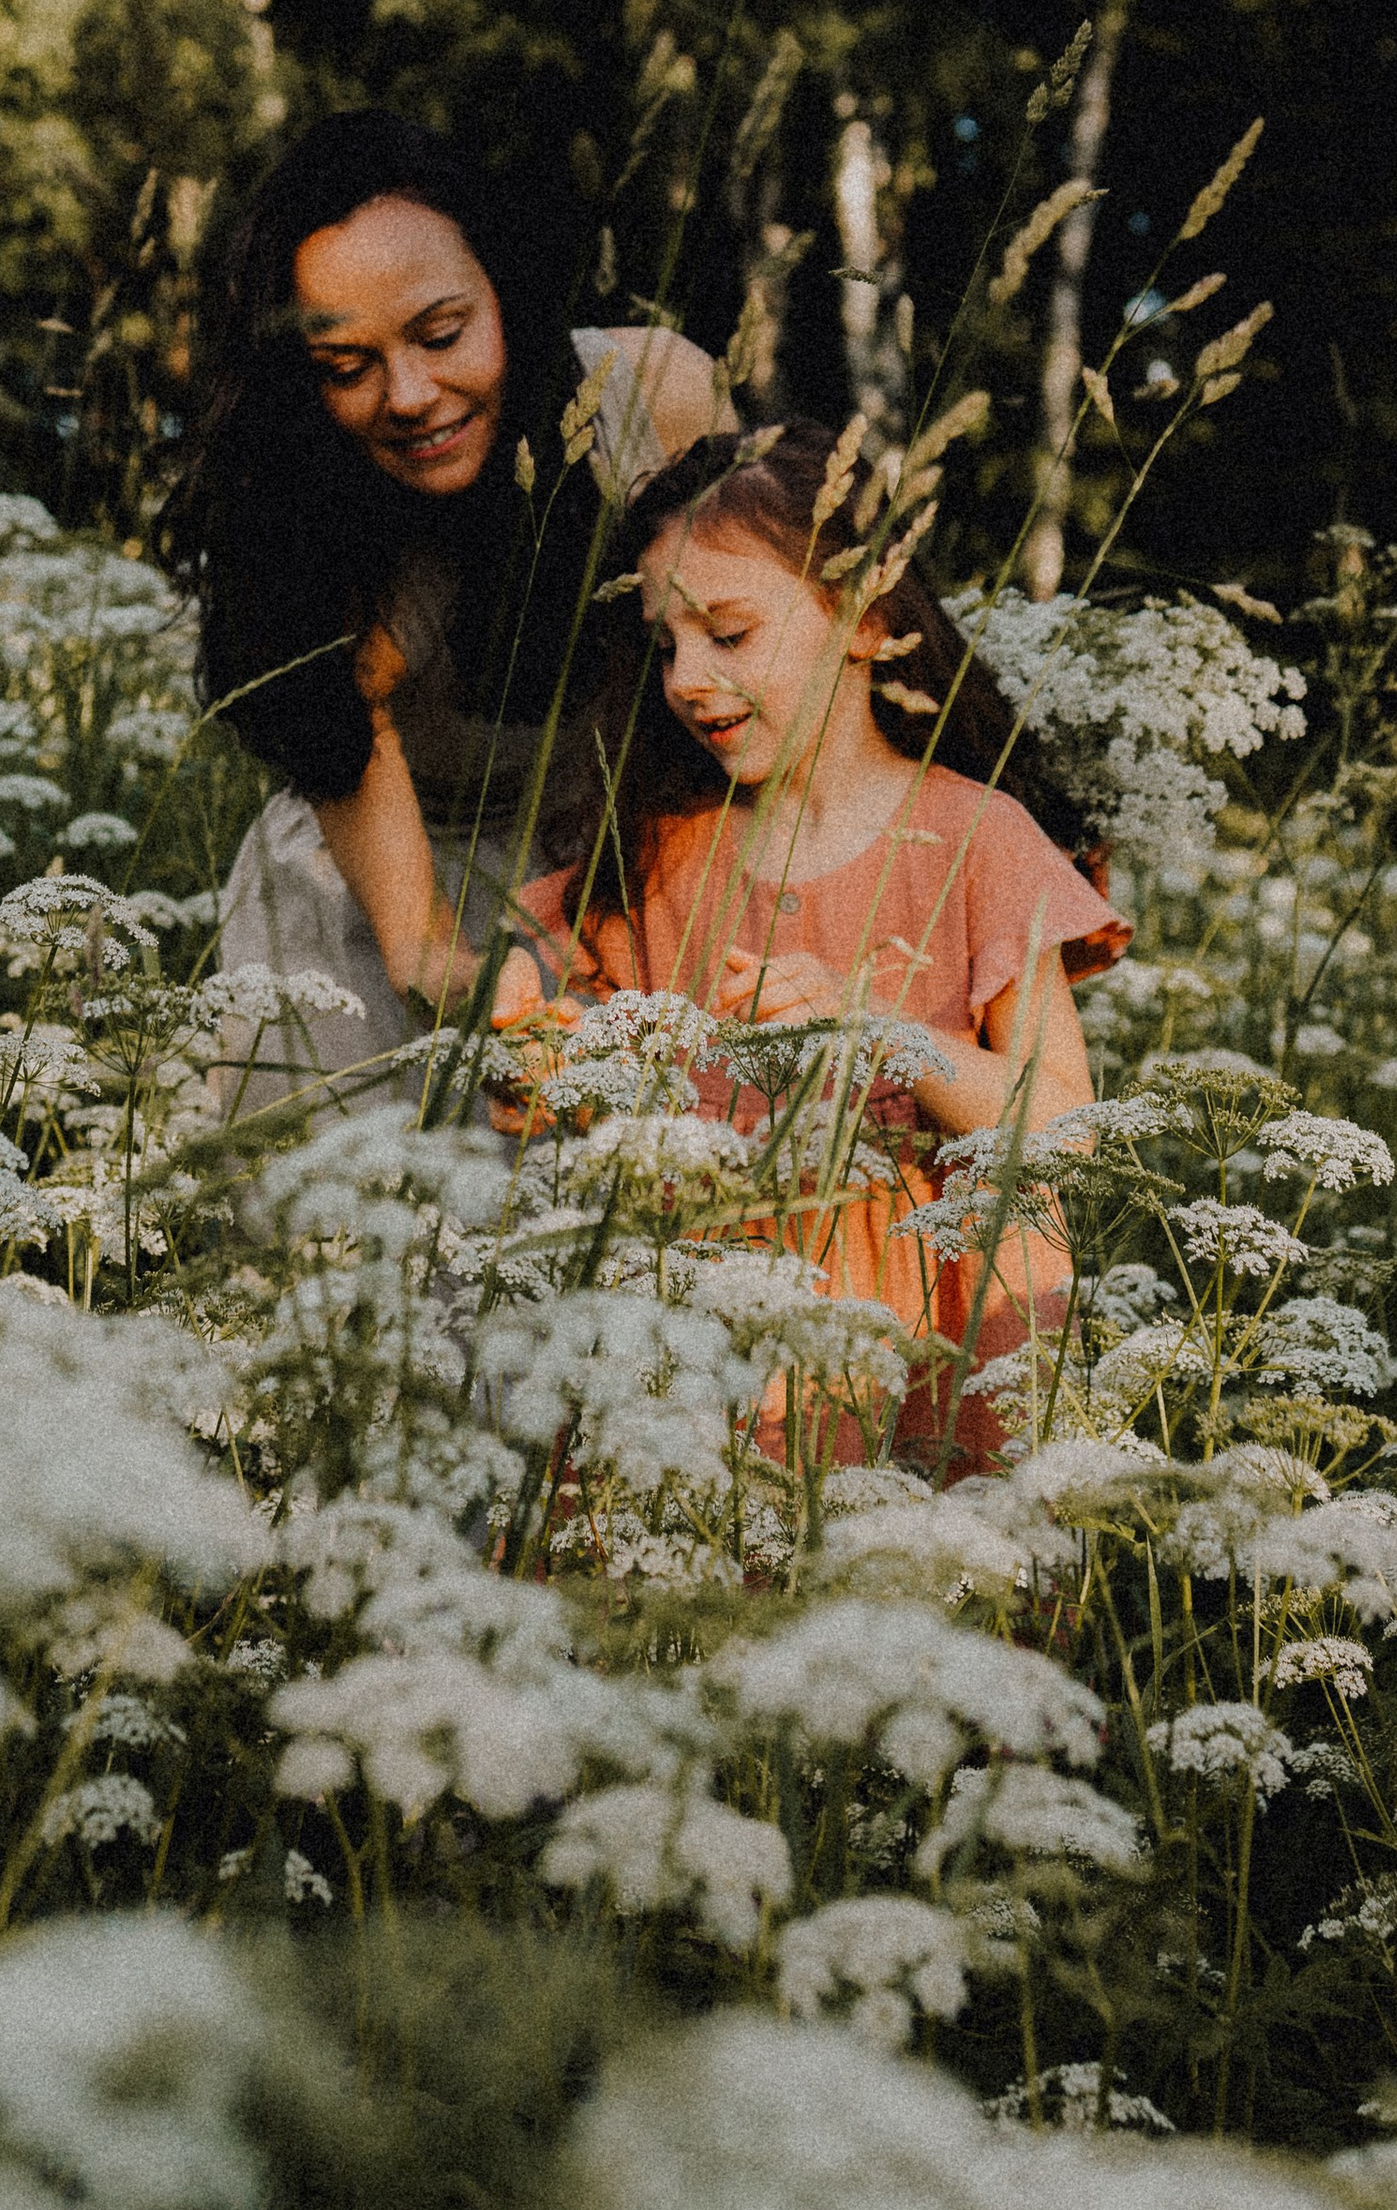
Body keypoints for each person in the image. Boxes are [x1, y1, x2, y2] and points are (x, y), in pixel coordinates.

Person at [328, 419, 1129, 1475]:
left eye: (730, 634)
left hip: (923, 1358)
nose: (685, 679)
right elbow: (543, 1067)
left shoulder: (979, 841)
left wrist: (879, 1032)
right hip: (683, 1367)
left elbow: (1065, 1126)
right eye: (665, 645)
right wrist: (529, 1033)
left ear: (866, 617)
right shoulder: (655, 852)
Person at [160, 110, 733, 1097]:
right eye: (349, 368)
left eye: (440, 333)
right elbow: (418, 950)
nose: (411, 394)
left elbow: (783, 650)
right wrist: (486, 992)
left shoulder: (656, 398)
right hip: (371, 905)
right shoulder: (301, 514)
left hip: (621, 860)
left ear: (505, 292)